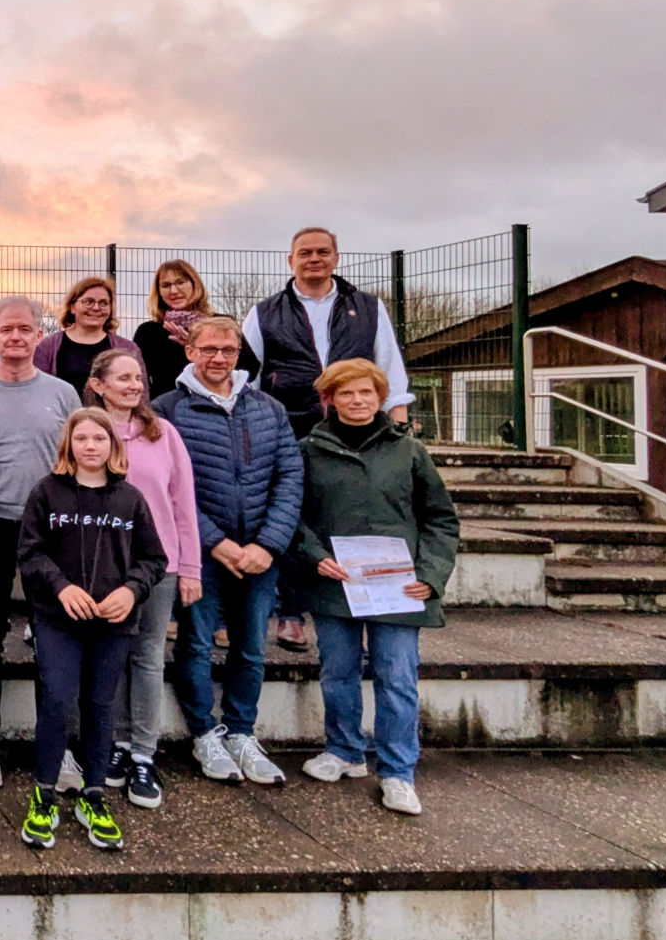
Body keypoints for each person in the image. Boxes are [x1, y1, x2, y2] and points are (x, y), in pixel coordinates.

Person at [294, 359, 459, 816]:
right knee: (337, 673)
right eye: (346, 393)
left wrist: (429, 575)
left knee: (397, 679)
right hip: (336, 584)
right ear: (330, 399)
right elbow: (294, 515)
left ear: (380, 397)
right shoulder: (309, 450)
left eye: (366, 392)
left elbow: (441, 518)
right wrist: (314, 556)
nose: (357, 401)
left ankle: (397, 772)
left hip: (399, 589)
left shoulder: (409, 451)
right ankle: (344, 751)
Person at [245, 226, 414, 649]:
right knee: (291, 518)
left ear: (336, 257)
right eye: (304, 252)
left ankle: (359, 605)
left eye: (322, 251)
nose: (313, 258)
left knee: (352, 515)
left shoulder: (369, 308)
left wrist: (398, 422)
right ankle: (290, 612)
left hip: (357, 429)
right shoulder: (263, 313)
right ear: (291, 260)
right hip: (290, 428)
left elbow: (389, 368)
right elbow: (246, 377)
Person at [153, 316, 304, 788]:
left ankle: (241, 731)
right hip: (202, 552)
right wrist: (215, 542)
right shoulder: (168, 409)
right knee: (196, 644)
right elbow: (168, 487)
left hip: (261, 551)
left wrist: (267, 543)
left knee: (251, 649)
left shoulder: (268, 409)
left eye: (228, 350)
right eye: (209, 349)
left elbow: (290, 476)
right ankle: (204, 733)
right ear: (190, 352)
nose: (219, 358)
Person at [15, 408, 167, 853]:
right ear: (69, 446)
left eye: (98, 439)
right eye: (81, 439)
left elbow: (153, 559)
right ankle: (44, 794)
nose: (90, 446)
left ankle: (94, 795)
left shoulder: (130, 500)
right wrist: (60, 588)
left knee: (100, 706)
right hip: (59, 620)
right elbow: (30, 552)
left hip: (113, 622)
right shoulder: (46, 494)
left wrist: (131, 591)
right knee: (58, 702)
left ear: (112, 446)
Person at [0, 297, 80, 788]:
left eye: (26, 328)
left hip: (54, 530)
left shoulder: (64, 395)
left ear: (38, 335)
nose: (17, 337)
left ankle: (59, 744)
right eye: (7, 329)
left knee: (56, 638)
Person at [82, 349, 201, 809]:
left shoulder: (163, 433)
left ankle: (143, 754)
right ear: (99, 384)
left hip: (159, 568)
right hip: (102, 567)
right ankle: (110, 744)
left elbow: (182, 503)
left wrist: (189, 567)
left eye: (139, 378)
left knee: (148, 658)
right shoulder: (85, 434)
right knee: (107, 658)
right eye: (124, 378)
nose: (134, 386)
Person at [34, 277, 144, 396]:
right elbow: (37, 391)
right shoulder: (47, 347)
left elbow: (141, 396)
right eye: (88, 302)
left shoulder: (128, 349)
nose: (96, 308)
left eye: (103, 303)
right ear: (72, 307)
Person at [130, 261, 218, 402]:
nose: (174, 291)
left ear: (194, 284)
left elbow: (249, 368)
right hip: (165, 412)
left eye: (180, 283)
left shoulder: (220, 324)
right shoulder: (148, 332)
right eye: (166, 285)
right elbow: (137, 377)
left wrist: (198, 346)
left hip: (214, 408)